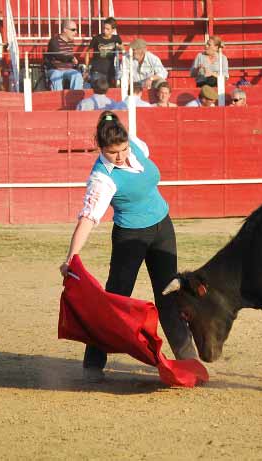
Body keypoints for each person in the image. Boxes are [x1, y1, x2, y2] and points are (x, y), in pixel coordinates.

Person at [60, 111, 198, 382]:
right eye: (113, 153)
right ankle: (93, 365)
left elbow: (140, 157)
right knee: (116, 299)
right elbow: (88, 219)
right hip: (130, 237)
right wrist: (71, 258)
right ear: (101, 149)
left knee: (169, 293)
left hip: (162, 226)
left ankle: (190, 362)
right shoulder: (102, 179)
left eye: (123, 149)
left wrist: (126, 145)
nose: (121, 156)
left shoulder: (134, 144)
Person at [45, 20, 83, 91]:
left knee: (77, 75)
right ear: (65, 30)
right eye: (73, 30)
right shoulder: (54, 41)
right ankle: (57, 98)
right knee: (56, 75)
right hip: (55, 69)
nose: (76, 32)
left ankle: (75, 97)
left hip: (68, 69)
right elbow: (58, 55)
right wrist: (71, 58)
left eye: (76, 30)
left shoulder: (70, 42)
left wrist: (74, 61)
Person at [84, 17, 122, 87]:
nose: (105, 30)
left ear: (113, 30)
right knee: (97, 92)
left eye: (107, 29)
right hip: (96, 71)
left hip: (110, 72)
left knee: (109, 93)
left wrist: (120, 47)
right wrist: (86, 69)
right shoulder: (96, 38)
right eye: (104, 28)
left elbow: (123, 50)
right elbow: (87, 52)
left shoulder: (116, 38)